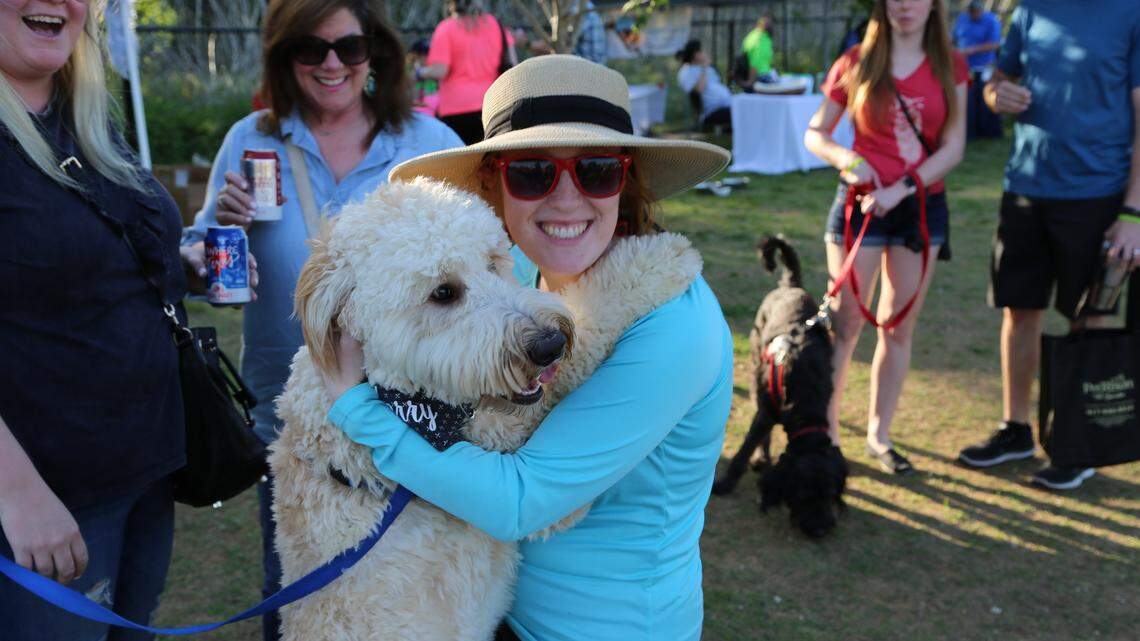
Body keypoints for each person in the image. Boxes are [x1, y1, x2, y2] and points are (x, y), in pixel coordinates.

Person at [320, 55, 733, 641]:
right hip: (494, 612)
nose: (565, 201)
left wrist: (356, 411)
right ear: (492, 184)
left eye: (595, 170)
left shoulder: (675, 326)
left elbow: (522, 502)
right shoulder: (513, 273)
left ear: (627, 181)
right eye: (533, 172)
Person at [181, 1, 461, 639]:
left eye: (350, 47)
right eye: (311, 49)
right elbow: (212, 279)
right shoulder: (250, 139)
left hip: (415, 426)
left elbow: (478, 276)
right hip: (291, 432)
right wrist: (222, 235)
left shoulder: (429, 146)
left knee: (418, 600)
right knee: (299, 601)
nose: (332, 63)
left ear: (376, 55)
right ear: (285, 58)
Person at [0, 1, 205, 639]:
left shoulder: (80, 114)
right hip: (49, 495)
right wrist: (17, 493)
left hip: (144, 470)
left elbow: (74, 259)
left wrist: (179, 270)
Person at [957, 0, 1140, 490]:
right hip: (1026, 187)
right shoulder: (1032, 9)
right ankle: (1016, 429)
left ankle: (1078, 446)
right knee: (1018, 311)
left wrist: (1133, 212)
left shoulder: (1130, 12)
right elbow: (997, 82)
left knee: (1088, 317)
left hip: (1097, 194)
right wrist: (999, 96)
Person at [805, 0, 968, 474]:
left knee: (899, 327)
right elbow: (817, 131)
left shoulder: (950, 64)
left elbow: (955, 145)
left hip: (918, 208)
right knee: (846, 325)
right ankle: (827, 436)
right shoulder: (855, 61)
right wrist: (847, 159)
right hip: (861, 207)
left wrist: (903, 188)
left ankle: (880, 435)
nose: (904, 4)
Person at [416, 0, 516, 144]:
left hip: (455, 110)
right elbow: (512, 66)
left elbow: (440, 70)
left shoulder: (446, 28)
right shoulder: (497, 26)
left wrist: (419, 73)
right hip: (493, 106)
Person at [952, 0, 1002, 139]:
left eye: (976, 10)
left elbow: (995, 44)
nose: (974, 14)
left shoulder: (991, 21)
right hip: (966, 69)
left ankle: (989, 133)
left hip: (985, 68)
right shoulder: (962, 20)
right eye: (972, 11)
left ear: (981, 10)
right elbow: (954, 38)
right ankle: (970, 133)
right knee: (969, 100)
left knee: (985, 99)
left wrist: (971, 50)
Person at [676, 39, 733, 131]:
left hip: (728, 104)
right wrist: (703, 68)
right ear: (694, 54)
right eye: (700, 51)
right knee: (739, 113)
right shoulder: (685, 72)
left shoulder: (707, 67)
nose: (703, 53)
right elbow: (699, 89)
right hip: (711, 112)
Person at [741, 13, 777, 84]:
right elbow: (754, 62)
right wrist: (750, 82)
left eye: (770, 23)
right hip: (759, 78)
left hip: (764, 75)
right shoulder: (758, 38)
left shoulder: (764, 37)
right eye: (766, 22)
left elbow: (766, 60)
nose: (770, 25)